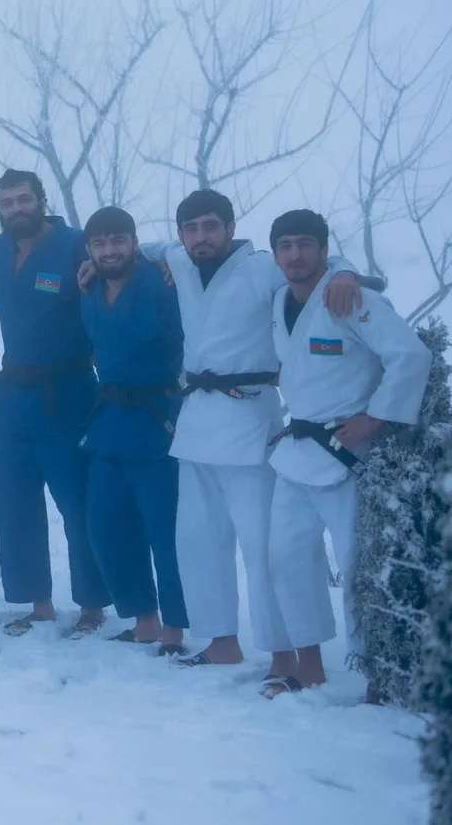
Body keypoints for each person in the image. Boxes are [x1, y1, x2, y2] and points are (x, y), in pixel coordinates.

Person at [134, 190, 365, 674]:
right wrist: (92, 264)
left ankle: (286, 653)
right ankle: (222, 641)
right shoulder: (179, 257)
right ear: (181, 234)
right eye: (192, 229)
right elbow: (145, 247)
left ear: (231, 227)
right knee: (198, 540)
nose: (201, 237)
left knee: (264, 548)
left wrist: (344, 271)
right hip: (196, 422)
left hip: (249, 419)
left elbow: (316, 268)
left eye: (210, 226)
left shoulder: (262, 267)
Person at [263, 209, 432, 697]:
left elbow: (411, 355)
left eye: (305, 244)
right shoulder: (279, 300)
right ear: (275, 255)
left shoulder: (351, 296)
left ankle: (378, 675)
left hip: (347, 455)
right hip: (297, 453)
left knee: (360, 568)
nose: (295, 254)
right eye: (285, 246)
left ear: (324, 249)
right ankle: (309, 667)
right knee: (286, 560)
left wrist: (375, 417)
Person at [0, 170, 110, 636]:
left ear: (41, 200)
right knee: (14, 503)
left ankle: (92, 606)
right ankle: (39, 604)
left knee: (77, 502)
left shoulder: (75, 246)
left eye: (24, 199)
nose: (17, 208)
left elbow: (130, 258)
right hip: (15, 393)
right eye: (7, 202)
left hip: (67, 392)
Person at [79, 207, 188, 654]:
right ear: (89, 249)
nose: (110, 251)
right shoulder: (89, 288)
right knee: (104, 526)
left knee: (165, 530)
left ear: (134, 242)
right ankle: (144, 617)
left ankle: (175, 627)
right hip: (110, 421)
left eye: (118, 241)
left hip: (156, 418)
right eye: (100, 243)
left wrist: (165, 258)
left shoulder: (162, 282)